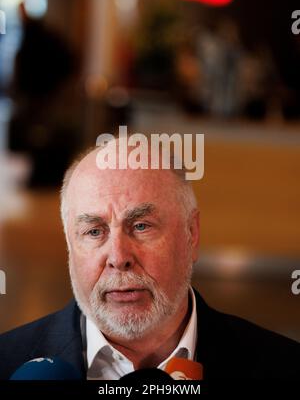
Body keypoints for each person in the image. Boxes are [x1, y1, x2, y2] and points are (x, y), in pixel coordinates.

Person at [0, 139, 299, 381]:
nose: (118, 257)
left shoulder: (282, 367)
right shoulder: (8, 362)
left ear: (191, 234)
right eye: (94, 231)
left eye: (141, 226)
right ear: (69, 243)